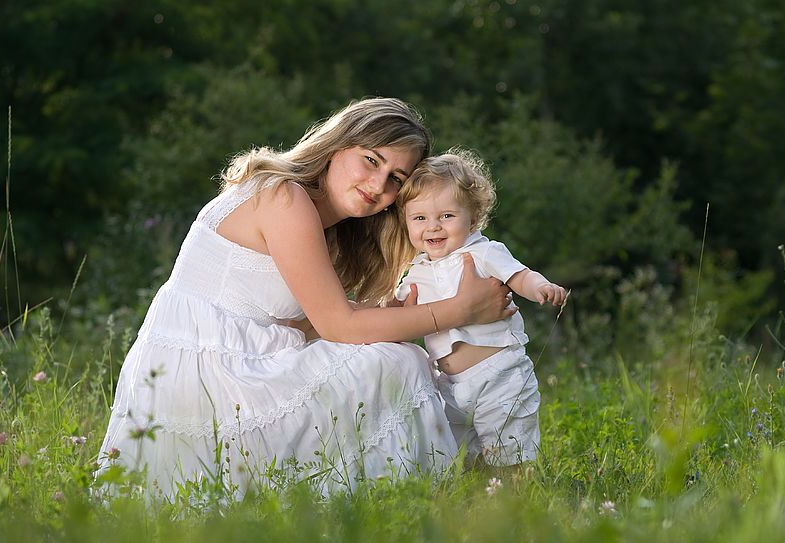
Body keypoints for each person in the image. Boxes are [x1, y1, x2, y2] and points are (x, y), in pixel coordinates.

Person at [93, 98, 515, 500]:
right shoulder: (284, 197)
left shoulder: (317, 219)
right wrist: (459, 310)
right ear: (337, 146)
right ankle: (423, 497)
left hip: (232, 366)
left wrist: (392, 313)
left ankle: (408, 490)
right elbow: (338, 327)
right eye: (371, 160)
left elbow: (306, 324)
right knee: (399, 363)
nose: (377, 184)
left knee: (388, 351)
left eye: (396, 180)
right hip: (210, 379)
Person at [394, 148, 567, 468]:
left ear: (472, 219)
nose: (433, 227)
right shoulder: (416, 269)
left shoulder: (483, 253)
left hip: (498, 373)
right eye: (420, 218)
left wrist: (540, 287)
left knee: (508, 449)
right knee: (462, 455)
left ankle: (515, 497)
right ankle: (477, 506)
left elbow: (520, 275)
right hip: (447, 383)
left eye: (446, 216)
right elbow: (404, 311)